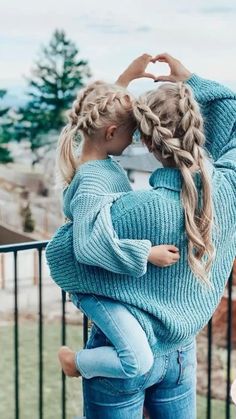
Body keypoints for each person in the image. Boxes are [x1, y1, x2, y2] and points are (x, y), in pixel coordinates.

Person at [47, 53, 236, 418]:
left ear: (147, 143)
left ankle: (79, 362)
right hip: (181, 351)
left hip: (121, 353)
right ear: (198, 127)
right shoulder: (227, 191)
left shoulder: (130, 212)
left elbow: (61, 255)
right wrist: (192, 79)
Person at [46, 80, 180, 380]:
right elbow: (88, 244)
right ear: (110, 133)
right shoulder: (94, 181)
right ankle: (75, 362)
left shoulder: (101, 164)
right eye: (131, 134)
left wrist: (128, 77)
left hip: (107, 282)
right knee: (137, 361)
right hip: (95, 291)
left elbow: (101, 108)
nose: (133, 141)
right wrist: (146, 252)